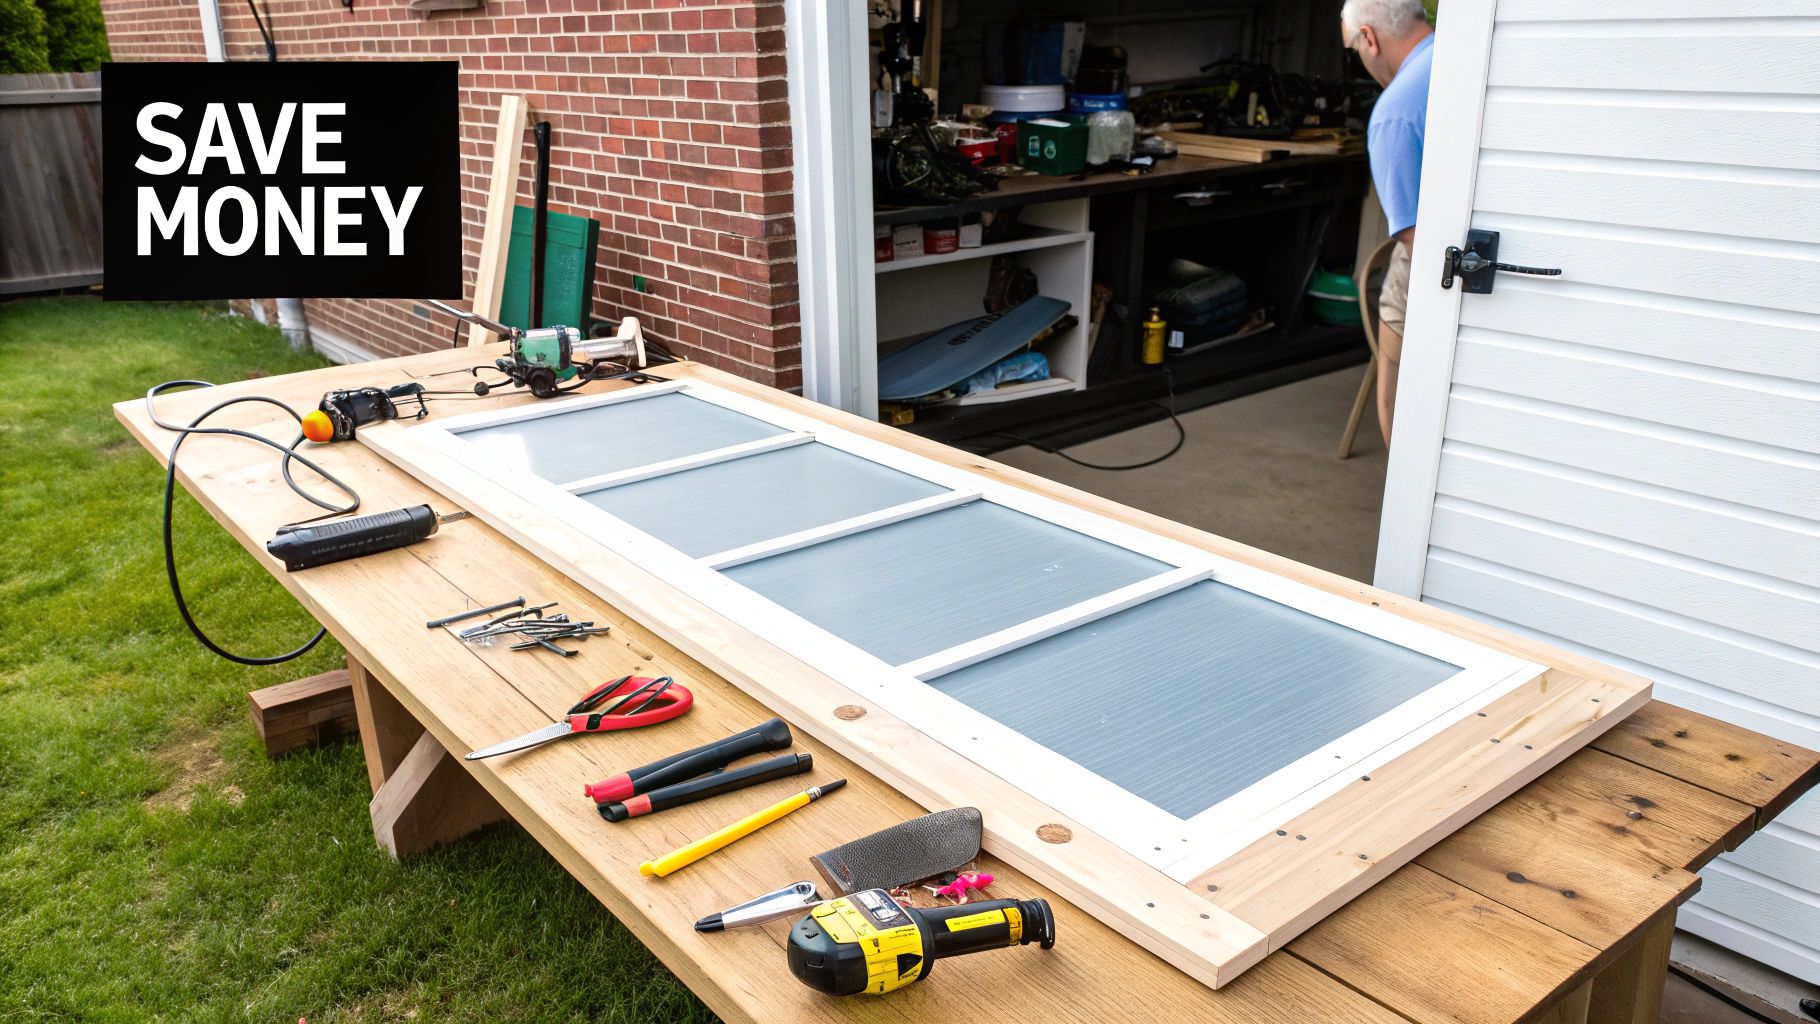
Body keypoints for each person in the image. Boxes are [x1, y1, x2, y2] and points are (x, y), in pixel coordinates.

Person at [1342, 0, 1433, 445]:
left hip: (1436, 270)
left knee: (1402, 422)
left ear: (1369, 38)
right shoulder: (1464, 59)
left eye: (1352, 47)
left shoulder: (1394, 113)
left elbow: (1420, 243)